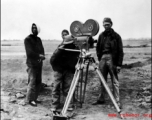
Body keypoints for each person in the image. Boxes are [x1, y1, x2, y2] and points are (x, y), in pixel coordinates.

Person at [94, 18, 124, 108]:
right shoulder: (101, 35)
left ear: (111, 24)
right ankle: (101, 98)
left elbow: (120, 51)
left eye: (107, 24)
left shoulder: (116, 36)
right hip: (103, 58)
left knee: (114, 81)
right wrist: (100, 58)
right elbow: (97, 47)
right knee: (102, 79)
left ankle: (117, 101)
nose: (106, 26)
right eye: (104, 24)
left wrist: (119, 64)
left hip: (112, 59)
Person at [50, 29, 80, 111]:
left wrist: (73, 68)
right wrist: (57, 70)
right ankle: (55, 105)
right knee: (56, 87)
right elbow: (52, 60)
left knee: (68, 87)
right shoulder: (60, 48)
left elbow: (77, 59)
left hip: (68, 70)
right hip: (59, 69)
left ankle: (69, 104)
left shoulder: (75, 48)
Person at [24, 23, 45, 106]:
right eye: (33, 28)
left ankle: (35, 98)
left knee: (38, 82)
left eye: (35, 28)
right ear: (31, 29)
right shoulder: (27, 39)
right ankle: (30, 99)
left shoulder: (38, 39)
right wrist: (39, 55)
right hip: (31, 64)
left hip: (39, 63)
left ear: (38, 29)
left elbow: (42, 50)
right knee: (32, 82)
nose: (34, 29)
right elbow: (29, 53)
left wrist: (42, 56)